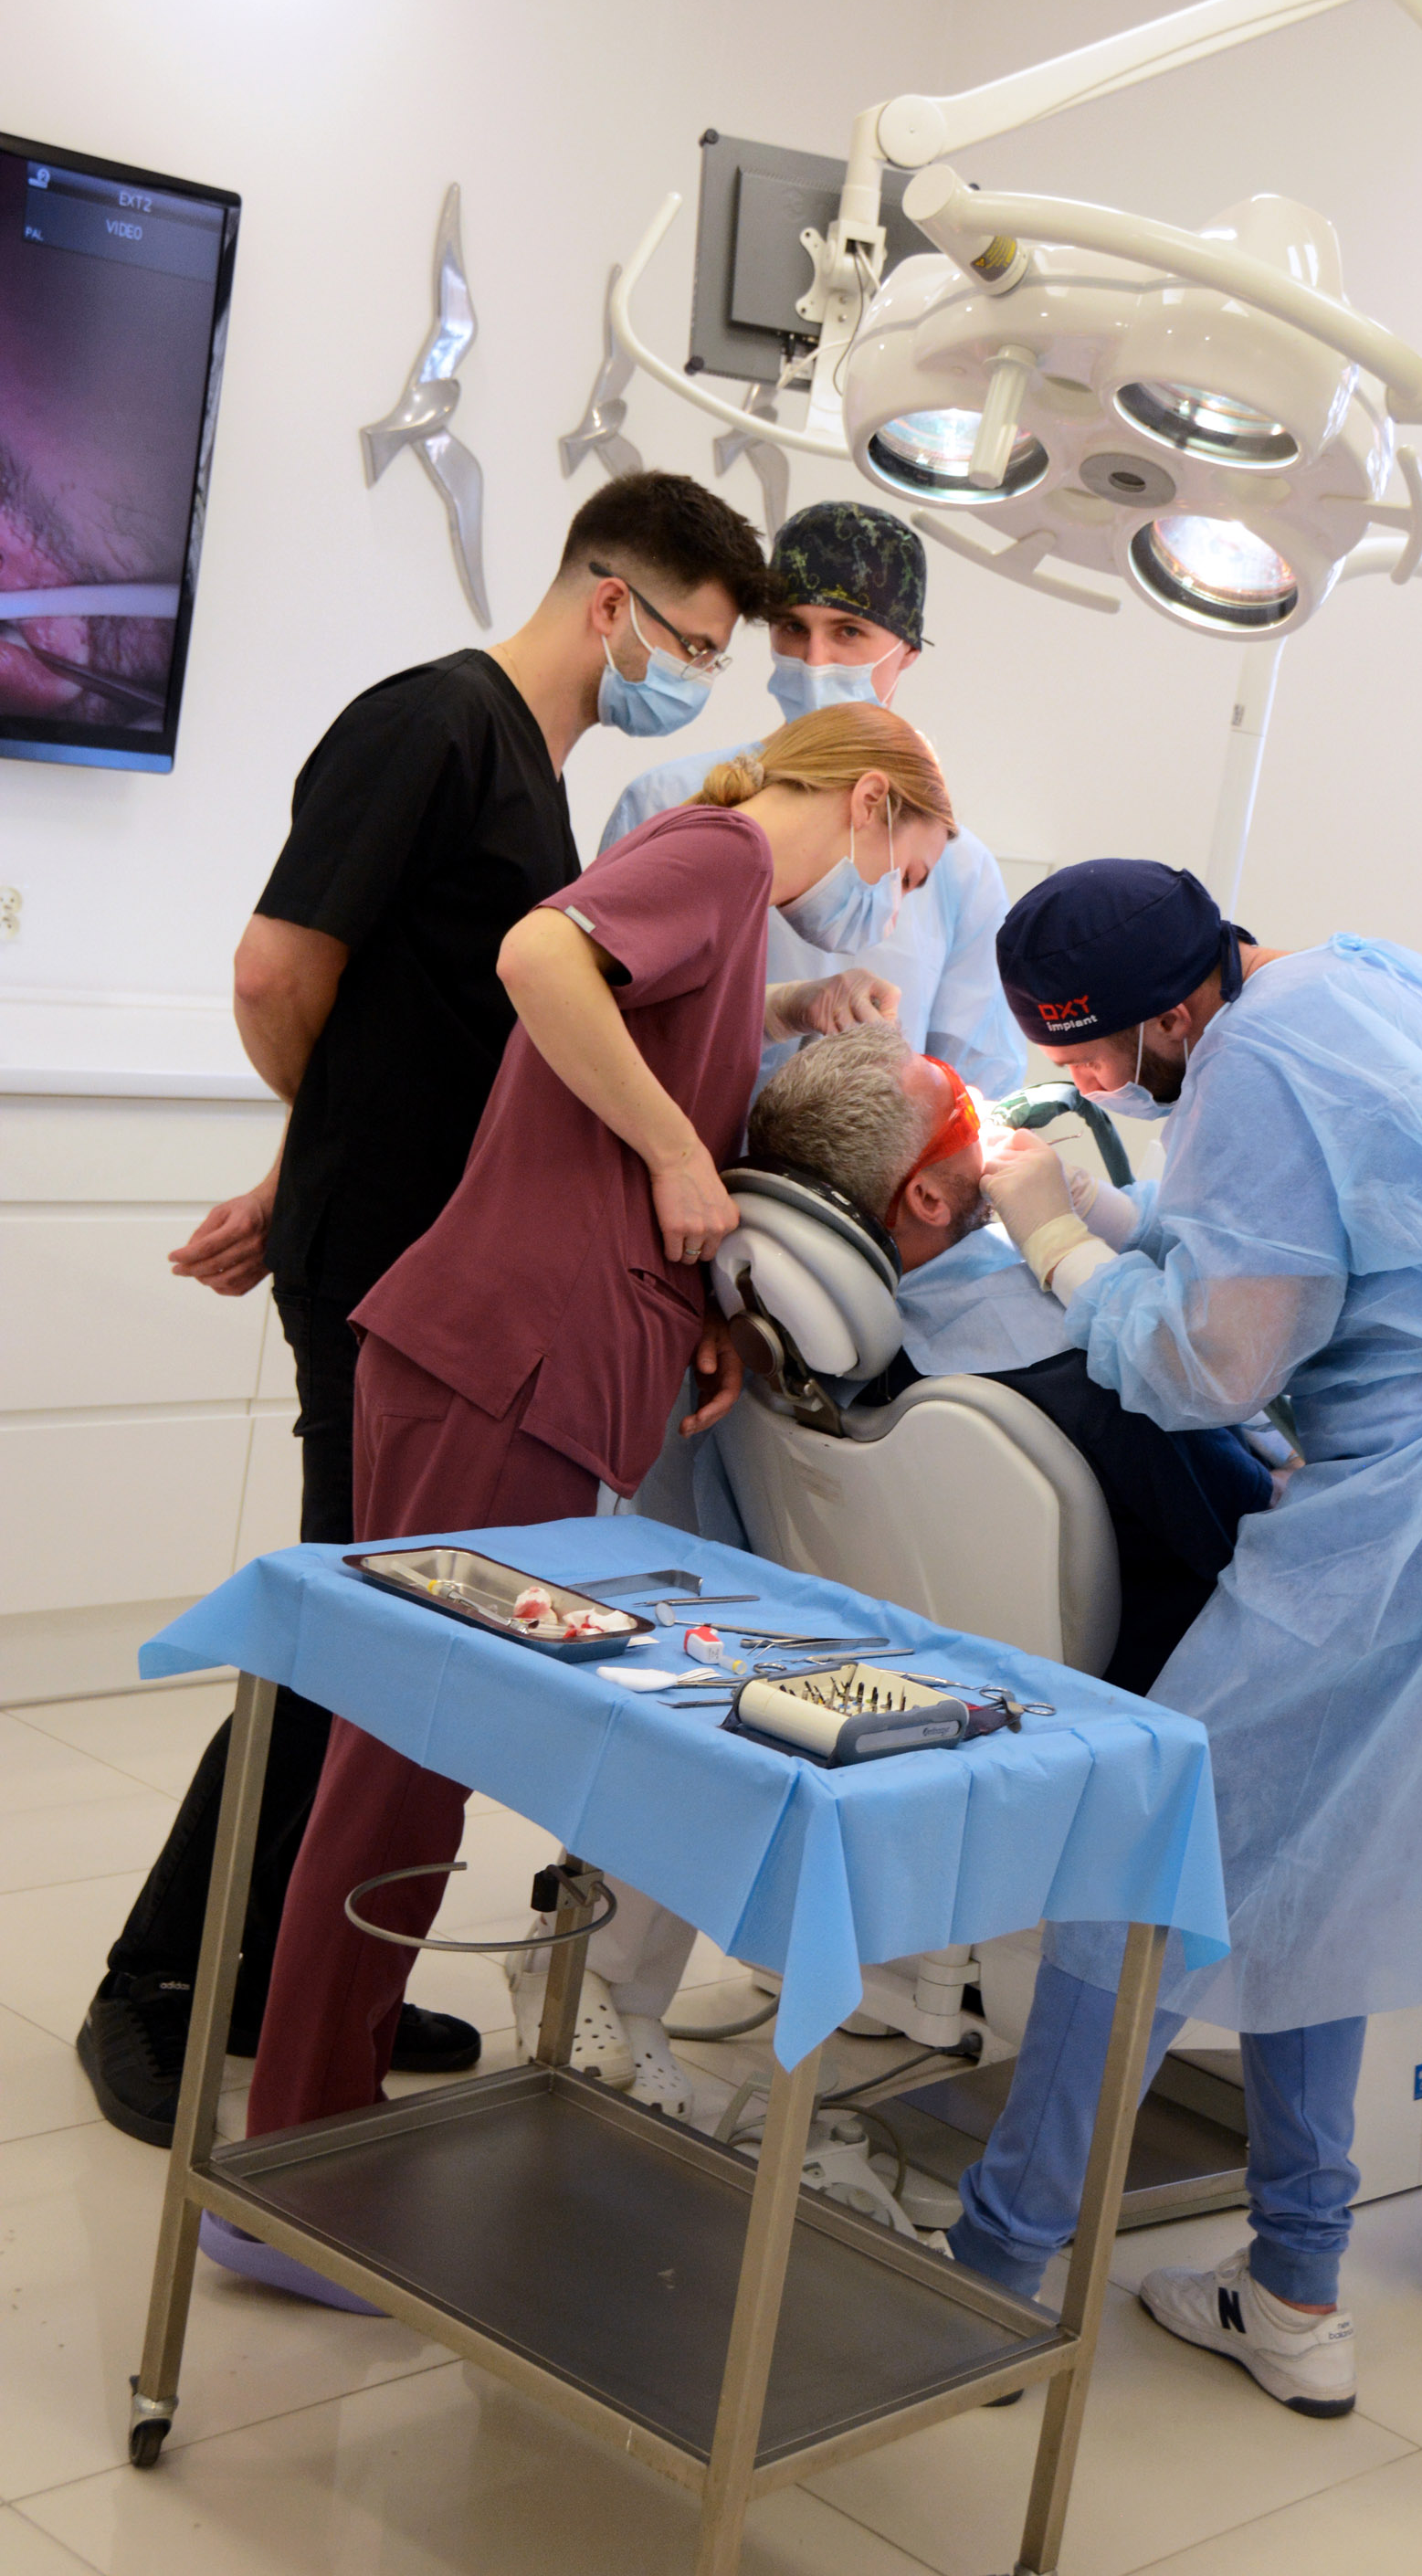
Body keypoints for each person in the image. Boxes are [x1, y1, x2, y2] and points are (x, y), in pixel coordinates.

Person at [214, 706, 955, 2309]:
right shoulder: (724, 853)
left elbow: (624, 1061)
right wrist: (683, 1158)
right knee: (399, 1771)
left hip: (522, 1358)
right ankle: (293, 2180)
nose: (897, 903)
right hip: (503, 1364)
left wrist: (692, 1292)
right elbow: (539, 958)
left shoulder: (727, 903)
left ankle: (308, 2142)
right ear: (874, 802)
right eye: (910, 868)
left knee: (416, 1763)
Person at [77, 470, 778, 2148]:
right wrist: (325, 1156)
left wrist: (300, 1172)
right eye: (694, 645)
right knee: (344, 1636)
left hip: (424, 1257)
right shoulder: (436, 726)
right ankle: (155, 1987)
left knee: (386, 1648)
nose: (692, 680)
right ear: (611, 604)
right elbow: (279, 974)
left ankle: (288, 1975)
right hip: (391, 1272)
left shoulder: (531, 778)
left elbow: (425, 1030)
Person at [939, 860, 1422, 2421]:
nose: (1093, 1086)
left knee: (1142, 1869)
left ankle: (989, 2277)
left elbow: (1212, 1364)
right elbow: (1333, 1231)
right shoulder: (1366, 980)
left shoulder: (1254, 1057)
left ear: (1174, 1010)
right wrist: (1126, 1214)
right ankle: (1295, 2294)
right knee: (1315, 1875)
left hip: (1416, 1516)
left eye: (1096, 1056)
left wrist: (1059, 1250)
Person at [743, 1022, 1274, 1691]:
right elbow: (1250, 1526)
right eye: (963, 1112)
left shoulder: (811, 1347)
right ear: (928, 1199)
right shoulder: (1092, 1371)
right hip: (1162, 1685)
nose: (988, 1110)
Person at [598, 501, 1027, 1098]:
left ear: (906, 653)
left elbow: (975, 1086)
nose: (815, 661)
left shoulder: (952, 865)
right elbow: (596, 1015)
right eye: (793, 629)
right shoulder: (666, 802)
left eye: (848, 632)